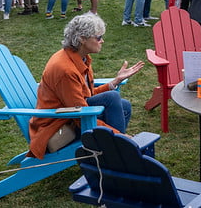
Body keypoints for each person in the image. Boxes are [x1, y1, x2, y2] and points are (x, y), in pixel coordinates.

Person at [28, 13, 144, 159]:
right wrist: (119, 134)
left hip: (69, 114)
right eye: (98, 37)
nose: (102, 41)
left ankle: (112, 151)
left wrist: (114, 83)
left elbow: (85, 97)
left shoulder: (80, 58)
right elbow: (79, 116)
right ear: (82, 39)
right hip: (57, 125)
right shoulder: (66, 69)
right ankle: (117, 152)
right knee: (112, 98)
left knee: (123, 105)